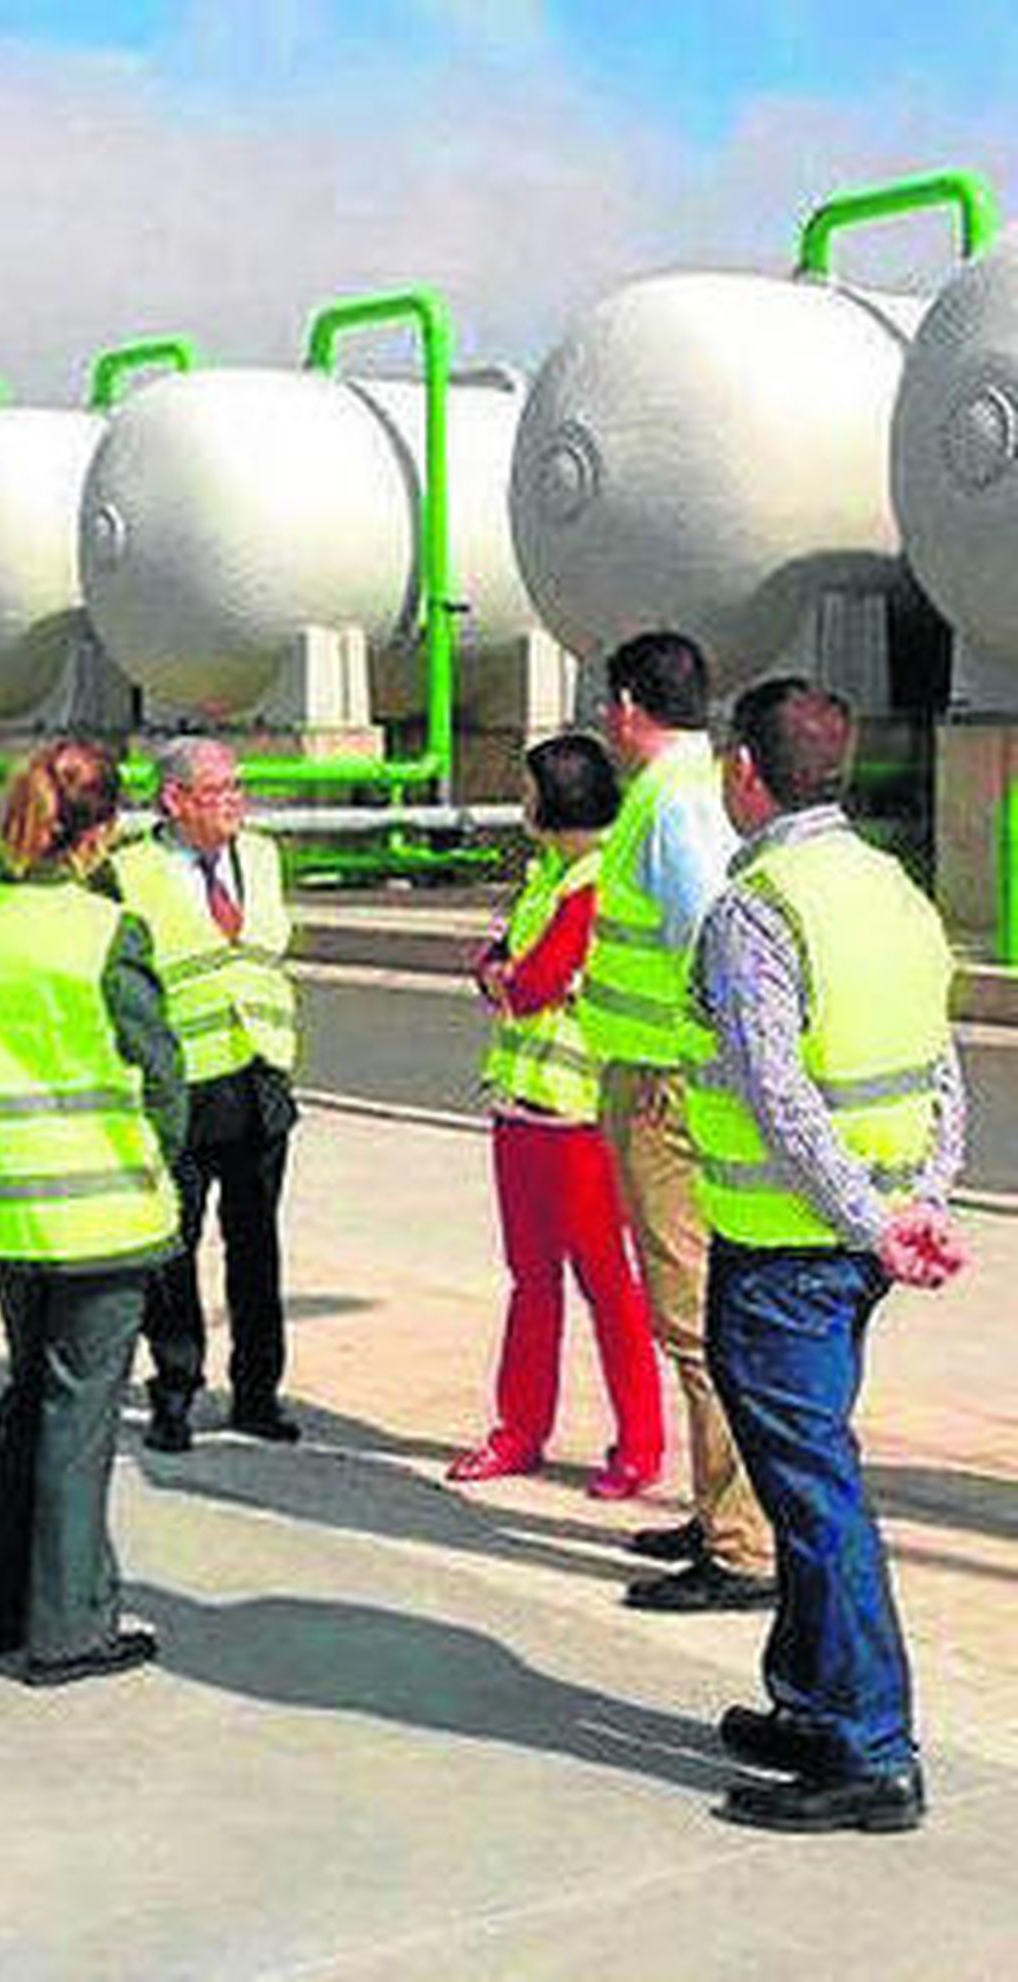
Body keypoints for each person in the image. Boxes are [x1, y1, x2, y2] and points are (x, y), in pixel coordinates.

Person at [685, 678, 965, 1834]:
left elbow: (777, 1090)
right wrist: (918, 1201)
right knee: (806, 1473)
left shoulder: (757, 909)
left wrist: (867, 1218)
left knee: (815, 1497)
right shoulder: (891, 889)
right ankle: (809, 1698)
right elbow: (938, 1064)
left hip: (787, 1252)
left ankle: (869, 1747)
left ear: (745, 771)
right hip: (855, 1247)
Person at [0, 740, 186, 1685]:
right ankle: (70, 1626)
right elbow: (161, 1074)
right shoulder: (106, 932)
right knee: (78, 1417)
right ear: (101, 834)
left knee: (26, 1395)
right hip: (101, 1212)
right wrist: (160, 1166)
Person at [580, 631, 776, 1611]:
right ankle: (718, 1511)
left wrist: (691, 1072)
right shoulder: (683, 791)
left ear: (626, 706)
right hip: (660, 1077)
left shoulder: (673, 804)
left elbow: (714, 941)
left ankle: (741, 1544)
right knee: (692, 1313)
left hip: (668, 1087)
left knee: (694, 1318)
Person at [447, 733, 663, 1497]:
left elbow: (531, 982)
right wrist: (502, 975)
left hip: (577, 1118)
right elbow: (496, 965)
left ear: (557, 797)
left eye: (528, 788)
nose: (522, 801)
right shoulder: (547, 875)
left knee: (608, 1285)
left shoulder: (595, 884)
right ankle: (519, 1430)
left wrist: (505, 977)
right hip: (520, 1107)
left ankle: (639, 1444)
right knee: (530, 1280)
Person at [111, 737, 300, 1451]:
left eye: (238, 788)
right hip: (179, 1085)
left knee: (257, 1244)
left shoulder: (262, 856)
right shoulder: (127, 872)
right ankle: (175, 1389)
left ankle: (258, 1392)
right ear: (175, 800)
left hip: (259, 1072)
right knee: (173, 1246)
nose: (236, 803)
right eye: (220, 791)